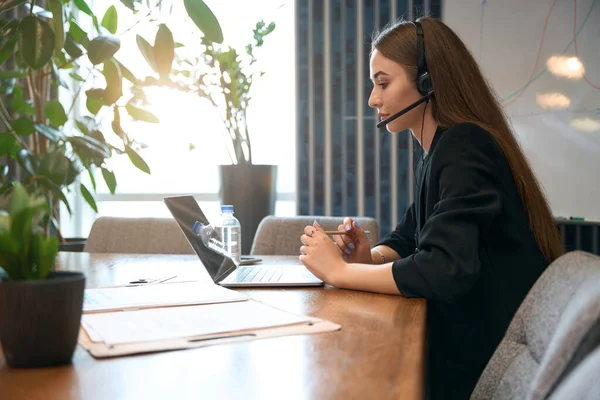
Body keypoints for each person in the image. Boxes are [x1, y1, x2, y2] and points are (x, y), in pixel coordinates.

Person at [298, 17, 564, 400]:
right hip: (469, 344)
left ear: (427, 82)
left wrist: (340, 272)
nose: (373, 99)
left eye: (383, 83)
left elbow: (443, 268)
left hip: (477, 359)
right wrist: (367, 257)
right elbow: (410, 236)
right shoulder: (439, 150)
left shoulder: (464, 146)